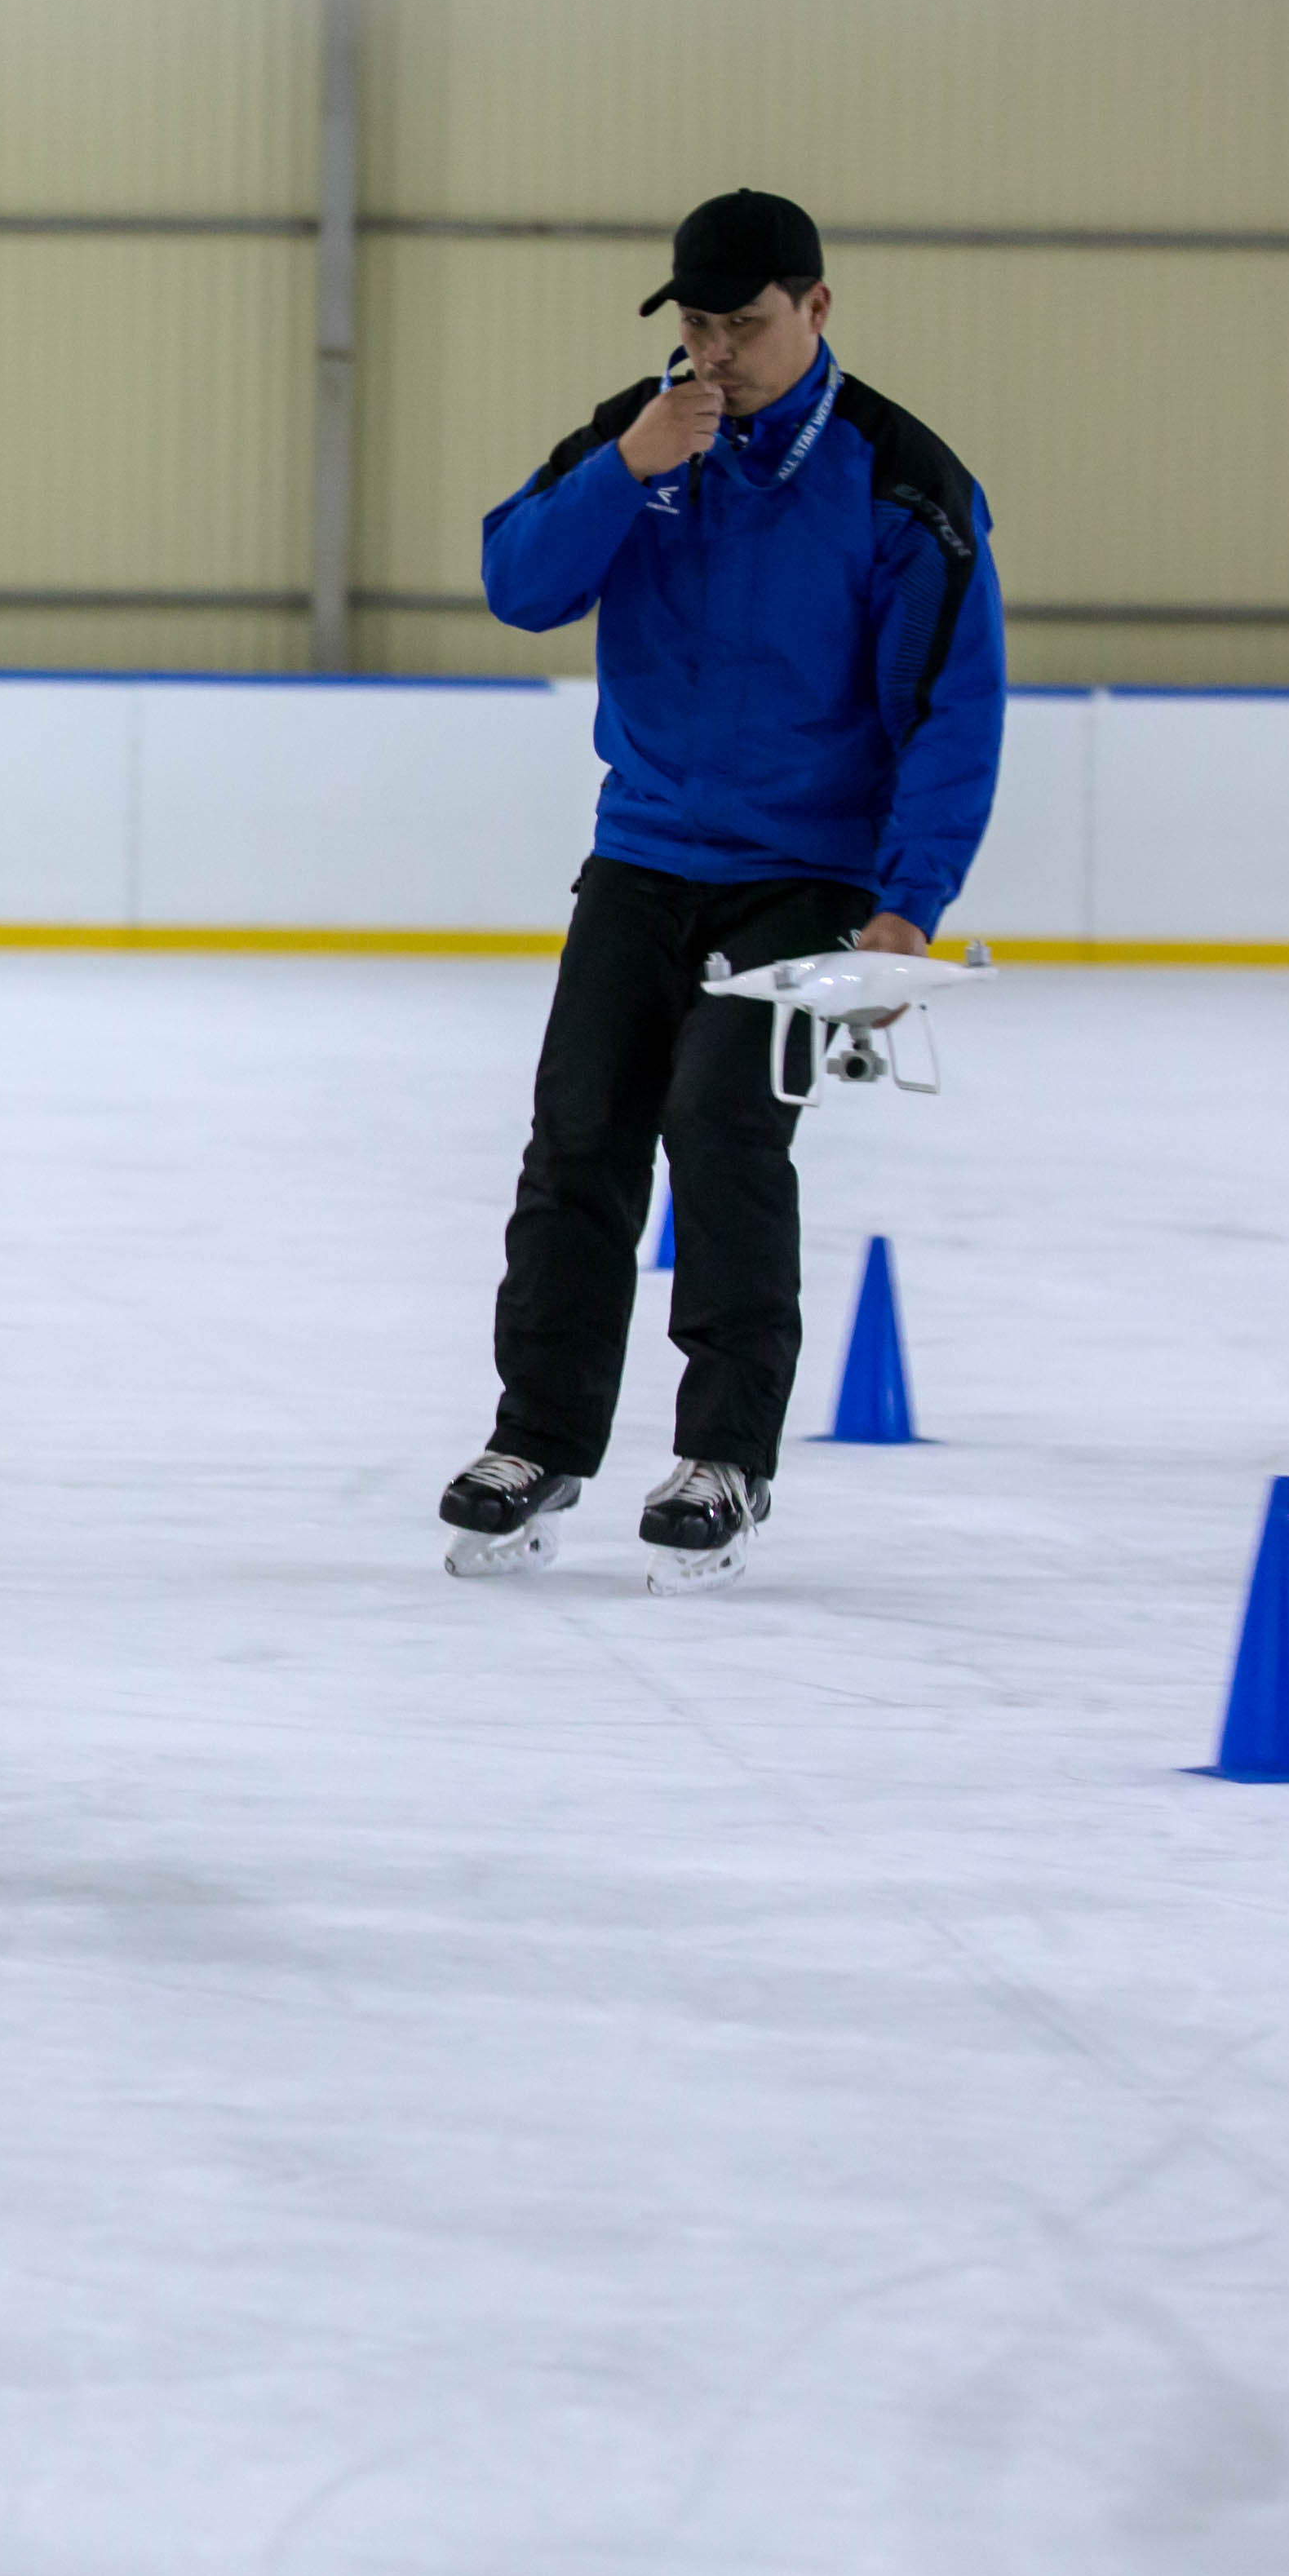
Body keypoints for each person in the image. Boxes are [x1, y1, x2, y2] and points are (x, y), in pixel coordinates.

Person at [442, 188, 1006, 1592]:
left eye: (741, 325)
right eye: (692, 324)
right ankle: (540, 1439)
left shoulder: (899, 479)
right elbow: (518, 585)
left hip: (805, 876)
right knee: (576, 1134)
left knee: (721, 1127)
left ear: (814, 310)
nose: (714, 352)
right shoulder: (638, 434)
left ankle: (723, 1457)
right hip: (641, 854)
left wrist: (904, 900)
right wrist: (623, 467)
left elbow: (952, 708)